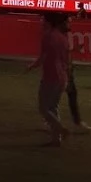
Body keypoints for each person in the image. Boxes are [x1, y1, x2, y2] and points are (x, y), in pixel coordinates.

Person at [26, 12, 71, 146]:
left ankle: (60, 129)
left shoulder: (48, 37)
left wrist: (31, 66)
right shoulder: (63, 38)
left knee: (44, 108)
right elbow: (66, 60)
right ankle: (56, 139)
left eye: (43, 20)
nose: (42, 22)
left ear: (50, 22)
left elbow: (42, 58)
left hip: (51, 76)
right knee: (53, 107)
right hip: (62, 76)